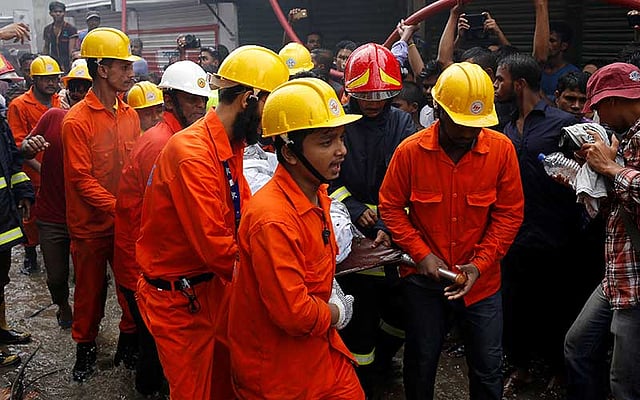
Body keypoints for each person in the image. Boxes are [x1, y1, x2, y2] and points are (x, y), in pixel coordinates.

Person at [135, 45, 288, 400]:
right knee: (194, 392)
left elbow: (244, 214)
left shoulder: (230, 145)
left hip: (213, 290)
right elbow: (218, 248)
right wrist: (282, 276)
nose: (276, 122)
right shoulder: (191, 154)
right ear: (249, 99)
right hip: (179, 302)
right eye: (273, 108)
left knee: (227, 385)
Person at [379, 62, 524, 400]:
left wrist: (479, 264)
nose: (469, 132)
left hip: (482, 284)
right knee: (421, 363)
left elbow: (509, 214)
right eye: (461, 124)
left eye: (476, 125)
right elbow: (390, 207)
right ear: (438, 109)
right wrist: (422, 254)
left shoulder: (501, 151)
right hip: (424, 281)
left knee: (488, 368)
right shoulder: (410, 152)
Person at [229, 76, 364, 399]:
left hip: (318, 350)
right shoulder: (272, 219)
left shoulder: (316, 194)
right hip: (281, 369)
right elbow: (293, 314)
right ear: (289, 153)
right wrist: (337, 312)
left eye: (342, 138)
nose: (341, 150)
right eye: (326, 141)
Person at [114, 60, 209, 396]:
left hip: (146, 259)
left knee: (151, 344)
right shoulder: (163, 144)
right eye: (193, 101)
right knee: (155, 350)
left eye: (204, 101)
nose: (201, 108)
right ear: (170, 101)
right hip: (145, 264)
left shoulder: (175, 137)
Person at [493, 53, 584, 395]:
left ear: (519, 84)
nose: (494, 86)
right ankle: (521, 367)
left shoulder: (562, 124)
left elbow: (586, 174)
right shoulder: (505, 124)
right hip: (515, 236)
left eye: (499, 79)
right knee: (516, 305)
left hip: (558, 235)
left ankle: (560, 371)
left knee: (558, 305)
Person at [329, 42, 416, 397]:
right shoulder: (339, 122)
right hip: (351, 236)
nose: (374, 101)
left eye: (382, 94)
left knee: (399, 313)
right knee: (360, 316)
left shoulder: (402, 123)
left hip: (394, 235)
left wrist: (386, 223)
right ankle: (360, 381)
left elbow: (412, 178)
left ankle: (382, 363)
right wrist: (351, 209)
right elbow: (328, 177)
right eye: (366, 95)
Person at [62, 27, 140, 382]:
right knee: (90, 294)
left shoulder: (130, 115)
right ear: (102, 69)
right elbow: (80, 180)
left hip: (123, 223)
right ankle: (85, 350)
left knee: (130, 288)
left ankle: (128, 345)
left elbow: (135, 168)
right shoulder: (76, 121)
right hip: (90, 227)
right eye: (122, 66)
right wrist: (119, 207)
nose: (130, 72)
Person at [565, 62, 640, 400]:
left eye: (597, 109)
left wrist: (609, 167)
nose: (597, 119)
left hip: (637, 283)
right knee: (578, 346)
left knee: (624, 383)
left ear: (611, 101)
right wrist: (591, 176)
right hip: (618, 273)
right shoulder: (624, 138)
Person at [20, 64, 92, 330]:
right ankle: (62, 305)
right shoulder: (52, 117)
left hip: (87, 213)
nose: (78, 91)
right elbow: (24, 149)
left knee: (91, 280)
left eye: (84, 86)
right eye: (74, 86)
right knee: (57, 277)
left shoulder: (106, 122)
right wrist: (30, 147)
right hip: (52, 213)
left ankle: (87, 325)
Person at [7, 55, 62, 275]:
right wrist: (43, 170)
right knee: (31, 219)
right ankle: (30, 257)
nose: (51, 83)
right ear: (34, 79)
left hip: (58, 177)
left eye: (54, 78)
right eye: (45, 78)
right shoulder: (19, 105)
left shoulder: (60, 102)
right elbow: (18, 146)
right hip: (33, 176)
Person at [0, 65, 35, 367]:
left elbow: (11, 159)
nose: (5, 91)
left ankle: (0, 332)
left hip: (3, 216)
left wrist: (24, 193)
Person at [533, 0, 579, 101]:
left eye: (551, 41)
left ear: (563, 46)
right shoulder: (535, 70)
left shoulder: (572, 74)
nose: (545, 44)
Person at [42, 1, 77, 72]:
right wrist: (44, 60)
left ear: (64, 13)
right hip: (53, 62)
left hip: (67, 62)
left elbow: (71, 49)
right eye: (55, 12)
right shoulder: (47, 29)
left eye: (60, 12)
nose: (58, 14)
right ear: (51, 13)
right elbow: (46, 47)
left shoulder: (70, 28)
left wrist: (72, 62)